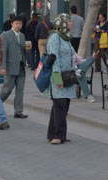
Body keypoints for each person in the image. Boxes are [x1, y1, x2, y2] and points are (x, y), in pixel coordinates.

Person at [44, 14, 75, 144]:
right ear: (62, 23)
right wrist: (57, 79)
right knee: (60, 106)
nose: (71, 23)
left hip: (68, 77)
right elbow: (54, 58)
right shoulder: (55, 38)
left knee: (62, 106)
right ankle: (58, 135)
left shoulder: (66, 38)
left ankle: (55, 134)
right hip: (58, 77)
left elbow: (73, 55)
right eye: (68, 21)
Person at [0, 16, 29, 119]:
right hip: (10, 66)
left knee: (20, 90)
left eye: (20, 24)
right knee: (7, 90)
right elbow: (3, 52)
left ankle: (18, 111)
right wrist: (2, 67)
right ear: (12, 24)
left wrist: (27, 49)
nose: (19, 25)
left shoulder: (22, 35)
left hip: (21, 66)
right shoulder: (5, 35)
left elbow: (22, 50)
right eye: (17, 23)